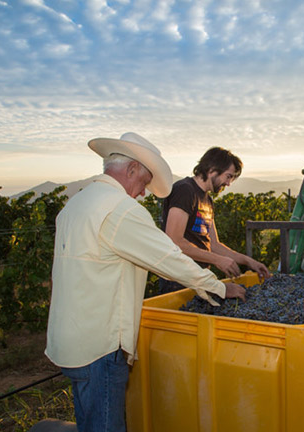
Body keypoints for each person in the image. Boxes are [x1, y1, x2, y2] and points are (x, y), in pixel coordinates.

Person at [45, 132, 246, 432]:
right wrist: (218, 286)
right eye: (143, 183)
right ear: (131, 170)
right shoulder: (120, 209)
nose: (142, 194)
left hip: (70, 341)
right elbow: (169, 257)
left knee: (88, 419)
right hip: (99, 346)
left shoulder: (75, 205)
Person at [159, 146, 270, 293]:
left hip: (198, 279)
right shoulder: (185, 191)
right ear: (212, 170)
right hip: (177, 280)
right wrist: (217, 260)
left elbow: (214, 245)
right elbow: (174, 241)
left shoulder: (208, 201)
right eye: (228, 176)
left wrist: (249, 261)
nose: (228, 183)